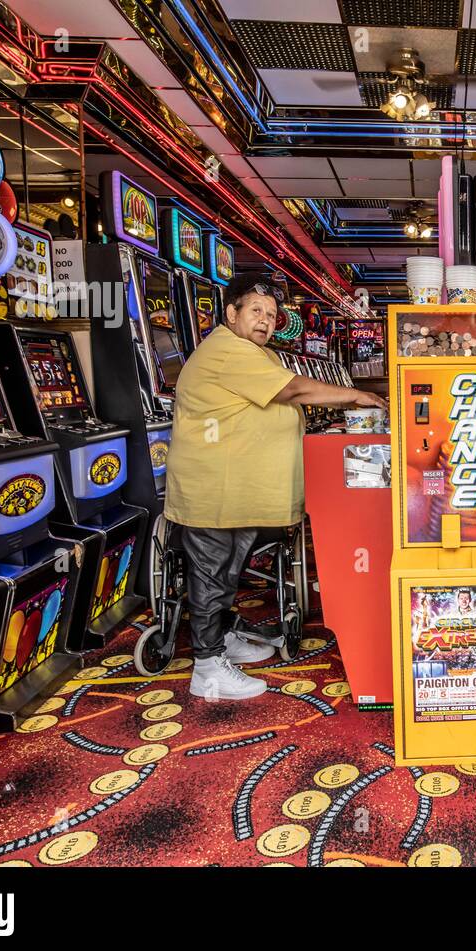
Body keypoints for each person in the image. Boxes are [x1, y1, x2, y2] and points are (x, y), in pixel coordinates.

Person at [165, 273, 387, 700]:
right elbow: (294, 389)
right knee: (212, 576)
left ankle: (222, 641)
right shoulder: (228, 351)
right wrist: (355, 396)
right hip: (215, 490)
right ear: (231, 313)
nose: (266, 321)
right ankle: (208, 668)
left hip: (237, 494)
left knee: (226, 574)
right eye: (256, 311)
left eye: (271, 314)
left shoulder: (251, 351)